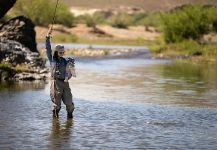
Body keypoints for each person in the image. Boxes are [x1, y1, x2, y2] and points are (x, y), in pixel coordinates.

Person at [45, 27, 75, 118]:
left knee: (69, 103)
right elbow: (48, 49)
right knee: (56, 105)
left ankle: (70, 118)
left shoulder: (65, 61)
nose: (62, 54)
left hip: (65, 83)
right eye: (60, 52)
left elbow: (71, 74)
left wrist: (71, 69)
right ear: (56, 52)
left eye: (63, 52)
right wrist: (47, 37)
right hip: (56, 83)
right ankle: (55, 122)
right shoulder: (52, 59)